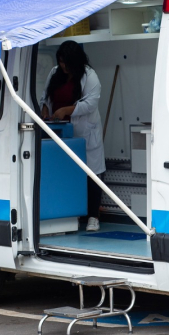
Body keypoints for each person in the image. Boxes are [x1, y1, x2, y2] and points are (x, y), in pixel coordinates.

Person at [40, 40, 106, 232]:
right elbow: (46, 96)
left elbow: (90, 104)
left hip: (84, 131)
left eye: (66, 62)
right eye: (60, 61)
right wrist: (46, 109)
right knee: (66, 173)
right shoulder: (55, 73)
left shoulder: (89, 76)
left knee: (91, 174)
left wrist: (66, 110)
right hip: (60, 131)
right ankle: (69, 213)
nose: (62, 66)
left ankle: (93, 216)